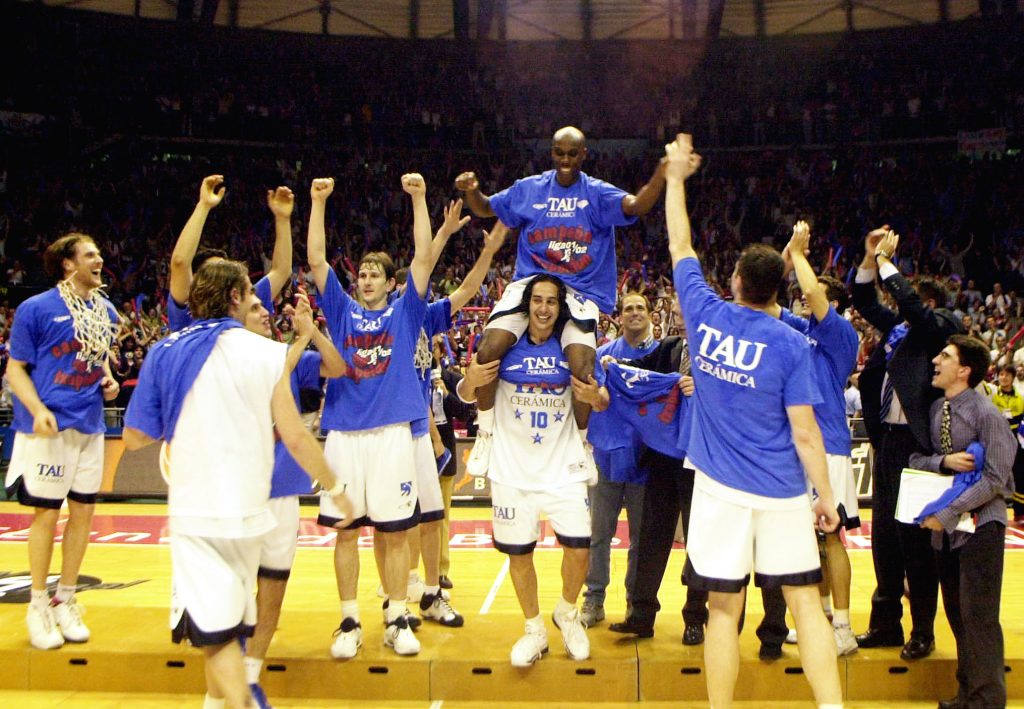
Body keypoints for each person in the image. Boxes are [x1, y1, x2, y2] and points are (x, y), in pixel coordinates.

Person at [123, 259, 353, 709]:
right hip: (249, 514)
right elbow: (295, 434)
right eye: (249, 289)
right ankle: (231, 699)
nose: (256, 297)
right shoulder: (265, 353)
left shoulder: (165, 351)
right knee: (227, 632)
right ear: (233, 295)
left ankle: (246, 702)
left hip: (197, 517)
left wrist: (178, 421)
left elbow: (133, 438)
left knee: (218, 638)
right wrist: (336, 487)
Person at [664, 134, 842, 709]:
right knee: (807, 606)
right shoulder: (792, 345)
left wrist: (674, 178)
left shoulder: (704, 312)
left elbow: (680, 240)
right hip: (783, 492)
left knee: (722, 609)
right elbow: (806, 433)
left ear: (737, 282)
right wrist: (827, 498)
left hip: (718, 491)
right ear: (777, 289)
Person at [455, 126, 668, 476]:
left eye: (572, 154)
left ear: (584, 155)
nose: (565, 160)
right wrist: (472, 191)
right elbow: (485, 209)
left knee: (584, 370)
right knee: (488, 349)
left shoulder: (596, 193)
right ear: (551, 152)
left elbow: (638, 205)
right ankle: (486, 433)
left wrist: (661, 172)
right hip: (531, 284)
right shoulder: (530, 189)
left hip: (578, 291)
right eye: (559, 153)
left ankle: (581, 445)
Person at [307, 174, 433, 659]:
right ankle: (348, 620)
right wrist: (318, 204)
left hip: (391, 434)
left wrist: (419, 200)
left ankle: (398, 615)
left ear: (390, 282)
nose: (365, 278)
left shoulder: (406, 312)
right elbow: (317, 260)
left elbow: (423, 257)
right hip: (343, 434)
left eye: (375, 273)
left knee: (396, 531)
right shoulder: (340, 311)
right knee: (345, 532)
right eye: (361, 273)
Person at [457, 275, 593, 666]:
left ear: (559, 307)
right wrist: (470, 379)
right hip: (511, 469)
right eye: (538, 300)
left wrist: (597, 398)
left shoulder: (571, 351)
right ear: (527, 304)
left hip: (562, 467)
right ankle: (534, 629)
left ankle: (567, 613)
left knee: (579, 549)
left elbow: (599, 397)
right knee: (519, 555)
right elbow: (465, 394)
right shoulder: (505, 347)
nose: (544, 308)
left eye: (551, 301)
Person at [4, 233, 120, 650]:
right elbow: (15, 371)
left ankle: (65, 598)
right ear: (69, 264)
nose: (100, 259)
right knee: (47, 516)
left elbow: (96, 355)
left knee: (84, 514)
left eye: (99, 252)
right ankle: (37, 603)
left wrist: (107, 379)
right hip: (47, 427)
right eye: (91, 254)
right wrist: (37, 409)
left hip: (89, 425)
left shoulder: (105, 310)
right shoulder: (35, 309)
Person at [852, 228, 963, 660]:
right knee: (884, 538)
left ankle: (923, 630)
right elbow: (863, 301)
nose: (902, 307)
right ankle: (885, 625)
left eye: (913, 301)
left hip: (921, 447)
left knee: (915, 541)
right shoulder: (902, 329)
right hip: (890, 440)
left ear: (928, 305)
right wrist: (867, 259)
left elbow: (915, 311)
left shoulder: (941, 327)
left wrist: (886, 262)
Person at [760, 221, 861, 656]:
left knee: (832, 536)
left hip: (830, 448)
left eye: (812, 295)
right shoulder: (800, 335)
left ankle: (842, 625)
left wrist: (801, 256)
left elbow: (815, 296)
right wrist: (783, 258)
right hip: (795, 451)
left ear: (833, 304)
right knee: (804, 540)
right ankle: (818, 616)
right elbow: (762, 304)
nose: (803, 298)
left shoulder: (840, 335)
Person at [243, 293, 347, 708]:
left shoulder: (289, 356)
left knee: (272, 590)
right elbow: (275, 372)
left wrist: (312, 333)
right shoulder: (227, 358)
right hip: (238, 489)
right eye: (255, 309)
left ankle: (250, 675)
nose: (266, 314)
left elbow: (338, 367)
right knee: (234, 589)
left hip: (282, 486)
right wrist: (299, 341)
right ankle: (225, 679)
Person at [908, 335, 1016, 709]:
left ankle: (987, 701)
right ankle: (968, 693)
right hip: (949, 531)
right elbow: (917, 459)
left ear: (964, 370)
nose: (936, 361)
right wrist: (943, 462)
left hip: (982, 525)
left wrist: (949, 511)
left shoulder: (987, 414)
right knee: (957, 614)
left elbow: (996, 478)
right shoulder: (939, 409)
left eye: (945, 356)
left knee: (979, 616)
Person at [580, 291, 658, 627]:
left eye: (640, 308)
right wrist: (598, 394)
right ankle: (593, 600)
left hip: (645, 457)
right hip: (607, 455)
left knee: (641, 539)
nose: (634, 313)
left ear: (650, 315)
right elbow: (595, 399)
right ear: (620, 316)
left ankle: (634, 603)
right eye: (628, 309)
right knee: (599, 534)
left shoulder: (660, 355)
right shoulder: (602, 355)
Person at [169, 175, 294, 332]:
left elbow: (282, 270)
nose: (222, 274)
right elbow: (180, 262)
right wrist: (203, 206)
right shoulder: (188, 312)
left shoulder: (244, 301)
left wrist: (282, 219)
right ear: (195, 284)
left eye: (224, 268)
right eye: (213, 271)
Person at [989, 363, 1024, 528]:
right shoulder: (993, 395)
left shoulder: (1020, 396)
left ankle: (1019, 512)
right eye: (1001, 374)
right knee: (994, 474)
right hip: (997, 440)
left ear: (1012, 377)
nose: (1004, 377)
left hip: (1017, 441)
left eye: (1007, 375)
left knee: (1020, 475)